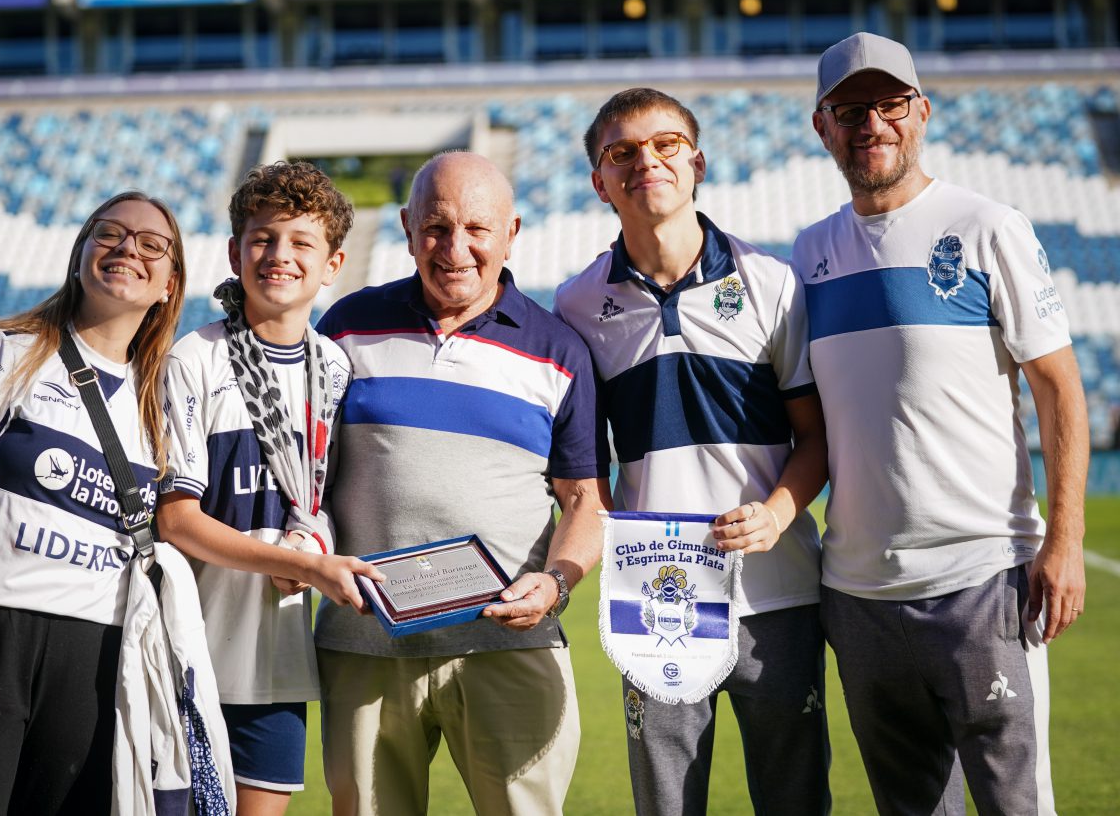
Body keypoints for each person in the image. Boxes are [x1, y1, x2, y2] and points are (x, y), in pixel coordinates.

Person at [795, 32, 1090, 815]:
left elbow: (1060, 389)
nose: (872, 124)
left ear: (921, 111)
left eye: (890, 104)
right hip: (857, 592)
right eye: (849, 110)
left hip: (983, 581)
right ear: (822, 127)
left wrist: (1063, 542)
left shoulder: (988, 226)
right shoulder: (809, 253)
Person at [554, 87, 831, 815]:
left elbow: (816, 435)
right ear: (600, 182)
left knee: (796, 801)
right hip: (654, 600)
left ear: (697, 163)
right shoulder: (577, 305)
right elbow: (582, 466)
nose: (646, 161)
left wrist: (777, 512)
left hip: (778, 590)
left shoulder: (771, 283)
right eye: (622, 152)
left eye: (666, 144)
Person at [314, 150, 611, 816]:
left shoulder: (559, 349)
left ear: (512, 232)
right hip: (365, 645)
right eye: (436, 227)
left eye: (477, 228)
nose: (455, 249)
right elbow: (308, 479)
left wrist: (557, 583)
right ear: (406, 227)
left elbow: (586, 499)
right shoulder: (345, 328)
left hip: (508, 642)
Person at [0, 192, 185, 812]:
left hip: (96, 656)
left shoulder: (162, 402)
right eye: (108, 233)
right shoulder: (3, 352)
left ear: (169, 284)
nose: (127, 248)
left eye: (151, 244)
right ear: (80, 253)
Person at [156, 161, 384, 816]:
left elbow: (327, 498)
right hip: (190, 650)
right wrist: (302, 566)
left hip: (278, 658)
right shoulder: (194, 359)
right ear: (235, 253)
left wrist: (312, 543)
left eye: (301, 242)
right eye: (263, 239)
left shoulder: (335, 366)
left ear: (333, 264)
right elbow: (177, 520)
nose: (280, 255)